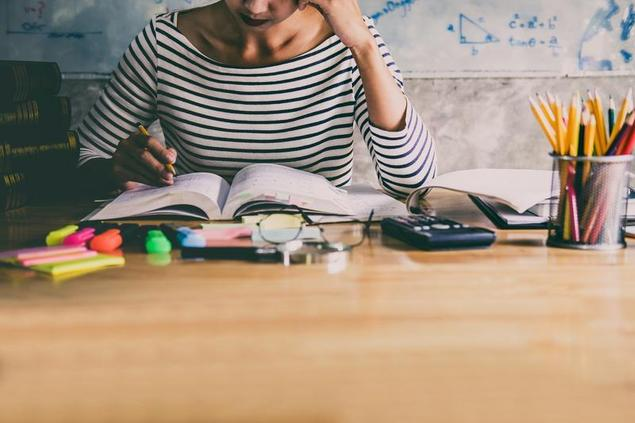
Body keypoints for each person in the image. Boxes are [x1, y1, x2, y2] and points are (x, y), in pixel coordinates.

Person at [77, 0, 436, 198]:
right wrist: (116, 168)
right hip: (196, 250)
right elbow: (83, 156)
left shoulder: (351, 44)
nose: (255, 7)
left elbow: (411, 182)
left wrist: (364, 47)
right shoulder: (162, 43)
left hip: (320, 253)